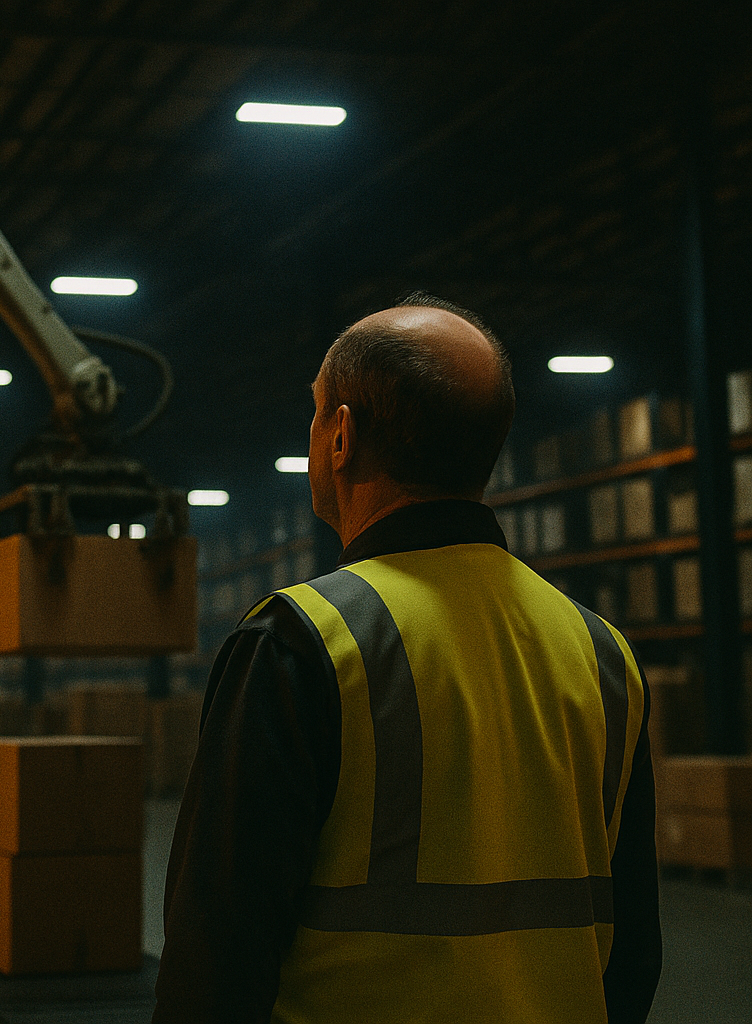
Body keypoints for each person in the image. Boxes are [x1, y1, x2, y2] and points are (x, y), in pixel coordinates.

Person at [153, 293, 660, 1023]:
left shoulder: (302, 641)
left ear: (340, 438)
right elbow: (634, 949)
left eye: (316, 412)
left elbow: (218, 950)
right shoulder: (603, 652)